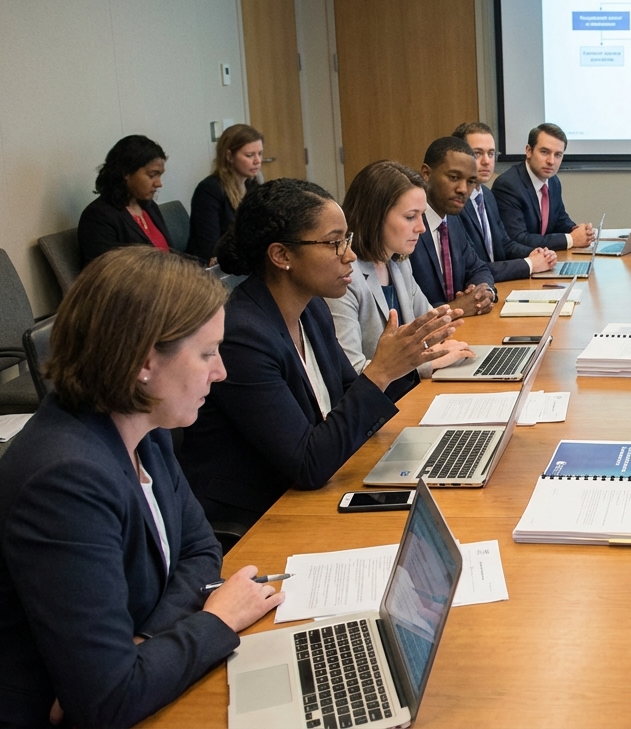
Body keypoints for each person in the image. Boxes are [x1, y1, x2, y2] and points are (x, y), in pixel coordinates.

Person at [0, 247, 283, 727]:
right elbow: (108, 699)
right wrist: (216, 621)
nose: (221, 371)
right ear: (145, 361)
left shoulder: (144, 428)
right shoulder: (65, 481)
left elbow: (199, 548)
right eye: (207, 353)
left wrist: (145, 642)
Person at [180, 179, 454, 531]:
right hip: (260, 519)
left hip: (314, 492)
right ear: (281, 255)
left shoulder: (312, 311)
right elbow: (307, 464)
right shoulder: (242, 337)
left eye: (347, 240)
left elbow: (346, 400)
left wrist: (406, 367)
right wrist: (382, 372)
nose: (350, 255)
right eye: (334, 242)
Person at [327, 159, 474, 376]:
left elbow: (429, 330)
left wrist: (443, 339)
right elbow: (351, 371)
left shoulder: (399, 264)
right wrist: (428, 364)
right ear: (374, 216)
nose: (422, 228)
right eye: (410, 217)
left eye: (421, 215)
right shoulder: (343, 278)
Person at [453, 121, 557, 280]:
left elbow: (505, 243)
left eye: (491, 153)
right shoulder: (454, 204)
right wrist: (530, 264)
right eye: (477, 153)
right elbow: (473, 268)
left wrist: (533, 253)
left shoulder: (486, 195)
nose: (487, 161)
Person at [413, 136, 497, 316]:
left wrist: (483, 293)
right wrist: (456, 308)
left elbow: (478, 268)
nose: (463, 189)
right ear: (426, 174)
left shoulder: (451, 219)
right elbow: (407, 308)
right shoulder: (411, 225)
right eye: (454, 177)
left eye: (470, 181)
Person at [491, 123, 595, 250]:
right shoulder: (508, 186)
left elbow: (559, 219)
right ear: (529, 151)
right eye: (545, 152)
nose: (551, 161)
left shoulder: (553, 181)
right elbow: (517, 239)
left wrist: (578, 230)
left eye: (558, 155)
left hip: (545, 259)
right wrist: (571, 239)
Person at [78, 135, 174, 265]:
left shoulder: (149, 207)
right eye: (152, 175)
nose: (159, 183)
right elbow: (108, 274)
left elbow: (170, 254)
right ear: (126, 173)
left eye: (159, 175)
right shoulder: (98, 217)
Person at [188, 123, 263, 262]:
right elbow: (210, 247)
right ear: (229, 156)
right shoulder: (209, 190)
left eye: (260, 154)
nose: (257, 161)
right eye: (249, 155)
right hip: (211, 269)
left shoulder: (253, 185)